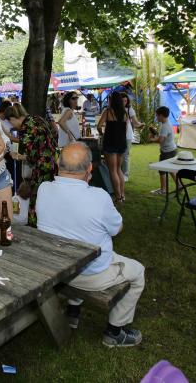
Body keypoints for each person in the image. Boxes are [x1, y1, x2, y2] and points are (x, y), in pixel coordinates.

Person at [37, 142, 145, 347]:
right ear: (90, 169)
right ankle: (115, 332)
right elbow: (117, 228)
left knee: (75, 246)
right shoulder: (99, 197)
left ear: (57, 165)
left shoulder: (43, 188)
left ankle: (73, 312)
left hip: (55, 268)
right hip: (89, 275)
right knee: (138, 271)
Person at [5, 103, 57, 225]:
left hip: (41, 168)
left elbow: (33, 157)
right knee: (49, 195)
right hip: (53, 162)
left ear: (13, 118)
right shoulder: (37, 119)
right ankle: (50, 221)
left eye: (11, 122)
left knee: (36, 198)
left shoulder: (25, 129)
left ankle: (35, 224)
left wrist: (19, 157)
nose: (13, 125)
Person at [98, 91, 129, 203]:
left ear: (111, 100)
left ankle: (118, 197)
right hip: (121, 143)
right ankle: (122, 195)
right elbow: (125, 130)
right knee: (118, 169)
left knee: (112, 170)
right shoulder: (125, 113)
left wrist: (101, 134)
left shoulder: (108, 111)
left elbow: (99, 125)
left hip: (110, 142)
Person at [150, 107, 178, 195]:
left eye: (157, 116)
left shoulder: (165, 126)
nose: (156, 117)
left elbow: (161, 140)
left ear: (161, 115)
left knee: (162, 170)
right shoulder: (167, 123)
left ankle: (163, 190)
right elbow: (163, 137)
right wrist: (156, 136)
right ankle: (180, 185)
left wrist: (152, 140)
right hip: (172, 150)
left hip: (167, 152)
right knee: (170, 169)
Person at [121, 92, 142, 182]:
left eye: (125, 101)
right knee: (119, 155)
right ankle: (119, 173)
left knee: (125, 155)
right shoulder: (113, 109)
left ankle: (125, 175)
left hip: (127, 135)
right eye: (122, 101)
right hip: (117, 135)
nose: (124, 102)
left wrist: (141, 125)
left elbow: (135, 122)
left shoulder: (129, 109)